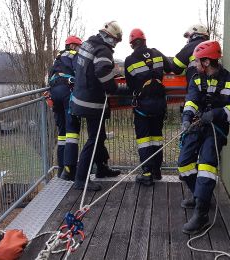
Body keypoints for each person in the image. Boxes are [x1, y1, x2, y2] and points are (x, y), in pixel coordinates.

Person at [178, 40, 230, 234]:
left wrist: (216, 114)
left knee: (206, 165)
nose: (195, 65)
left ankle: (201, 213)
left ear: (207, 62)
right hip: (197, 126)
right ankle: (199, 193)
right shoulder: (197, 79)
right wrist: (187, 119)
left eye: (198, 61)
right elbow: (191, 100)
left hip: (216, 129)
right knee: (184, 163)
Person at [70, 21, 123, 191]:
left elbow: (81, 66)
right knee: (94, 140)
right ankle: (81, 179)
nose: (115, 44)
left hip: (80, 98)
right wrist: (113, 87)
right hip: (92, 102)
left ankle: (101, 168)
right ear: (110, 37)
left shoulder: (88, 44)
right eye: (116, 40)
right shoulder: (103, 50)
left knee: (99, 137)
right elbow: (101, 71)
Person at [124, 28, 172, 186]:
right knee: (157, 138)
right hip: (159, 104)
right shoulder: (156, 53)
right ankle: (157, 171)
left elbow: (131, 85)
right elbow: (171, 67)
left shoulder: (130, 60)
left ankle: (147, 173)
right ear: (144, 41)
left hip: (142, 107)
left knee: (144, 140)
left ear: (132, 44)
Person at [48, 35, 82, 180]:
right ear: (73, 46)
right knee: (72, 131)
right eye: (79, 47)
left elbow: (49, 76)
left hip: (54, 92)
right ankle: (70, 169)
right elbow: (80, 73)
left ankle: (62, 167)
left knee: (62, 133)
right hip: (67, 91)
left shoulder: (57, 58)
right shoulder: (74, 55)